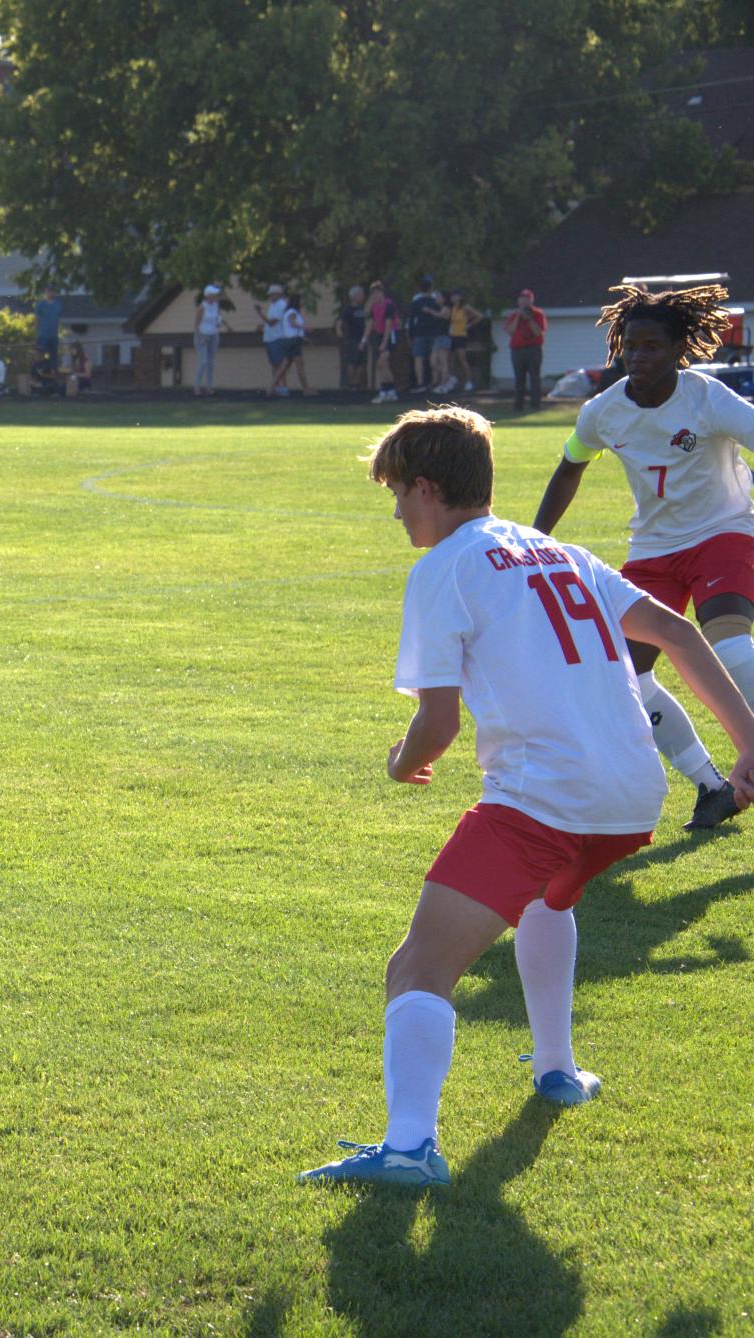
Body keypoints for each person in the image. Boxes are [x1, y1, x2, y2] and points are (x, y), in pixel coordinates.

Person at [300, 406, 754, 1188]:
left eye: (397, 495)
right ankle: (557, 1068)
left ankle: (408, 1148)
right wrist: (748, 745)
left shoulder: (442, 567)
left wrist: (399, 763)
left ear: (426, 486)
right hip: (631, 794)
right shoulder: (559, 550)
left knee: (415, 969)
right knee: (548, 898)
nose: (396, 512)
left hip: (544, 795)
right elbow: (677, 638)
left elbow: (435, 722)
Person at [532, 283, 754, 829]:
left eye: (652, 346)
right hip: (653, 552)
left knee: (730, 647)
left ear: (679, 348)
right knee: (622, 676)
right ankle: (710, 784)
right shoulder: (602, 412)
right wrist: (534, 542)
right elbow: (569, 469)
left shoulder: (708, 399)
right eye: (631, 345)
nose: (638, 356)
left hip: (722, 534)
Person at [502, 288, 547, 411]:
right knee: (519, 378)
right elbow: (510, 331)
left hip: (533, 349)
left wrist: (529, 319)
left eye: (527, 298)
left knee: (534, 377)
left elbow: (538, 332)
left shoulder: (538, 314)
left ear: (531, 300)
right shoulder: (514, 315)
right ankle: (518, 405)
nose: (524, 301)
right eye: (522, 298)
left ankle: (535, 404)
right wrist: (518, 316)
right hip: (517, 350)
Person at [409, 276, 450, 396]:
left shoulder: (417, 302)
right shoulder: (434, 302)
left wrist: (410, 335)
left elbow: (412, 320)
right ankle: (433, 382)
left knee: (421, 358)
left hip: (422, 334)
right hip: (433, 334)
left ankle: (423, 383)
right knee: (433, 360)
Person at [367, 281, 402, 404]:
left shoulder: (389, 305)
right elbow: (371, 323)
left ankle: (383, 392)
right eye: (373, 294)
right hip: (379, 335)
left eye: (377, 293)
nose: (375, 296)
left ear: (382, 293)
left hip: (389, 336)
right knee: (384, 366)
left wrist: (384, 343)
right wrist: (364, 339)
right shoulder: (374, 307)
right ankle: (391, 392)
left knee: (381, 364)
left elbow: (388, 326)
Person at [193, 283, 226, 396]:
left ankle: (209, 387)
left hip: (214, 335)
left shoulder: (216, 305)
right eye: (214, 294)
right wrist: (200, 337)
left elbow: (218, 318)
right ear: (208, 295)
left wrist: (220, 324)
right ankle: (197, 387)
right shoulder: (202, 307)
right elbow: (196, 324)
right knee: (203, 361)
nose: (216, 296)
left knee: (211, 362)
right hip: (202, 335)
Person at [444, 291, 480, 394]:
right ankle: (451, 380)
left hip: (460, 336)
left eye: (455, 296)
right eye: (452, 296)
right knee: (450, 359)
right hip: (452, 336)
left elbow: (479, 316)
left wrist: (468, 325)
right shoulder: (452, 308)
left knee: (462, 359)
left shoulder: (465, 307)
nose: (453, 298)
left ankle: (469, 381)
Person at [338, 285, 368, 392]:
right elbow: (340, 322)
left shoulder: (363, 309)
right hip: (352, 339)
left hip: (363, 339)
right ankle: (351, 384)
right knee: (352, 362)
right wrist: (340, 332)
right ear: (355, 296)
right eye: (361, 294)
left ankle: (357, 382)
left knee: (362, 362)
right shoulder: (348, 310)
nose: (363, 296)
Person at [262, 283, 291, 396]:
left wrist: (259, 313)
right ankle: (277, 387)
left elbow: (272, 322)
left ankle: (283, 387)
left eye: (272, 294)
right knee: (274, 364)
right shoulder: (273, 305)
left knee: (279, 363)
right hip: (270, 338)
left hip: (277, 338)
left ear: (278, 294)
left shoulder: (281, 305)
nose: (270, 297)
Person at [281, 295, 310, 396]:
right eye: (301, 300)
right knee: (299, 365)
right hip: (293, 341)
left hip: (292, 340)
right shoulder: (292, 312)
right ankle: (306, 389)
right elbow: (292, 323)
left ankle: (274, 386)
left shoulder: (291, 312)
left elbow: (293, 329)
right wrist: (305, 327)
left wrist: (303, 337)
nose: (302, 302)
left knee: (285, 365)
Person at [34, 285, 64, 367]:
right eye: (49, 291)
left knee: (54, 356)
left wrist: (60, 332)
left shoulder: (58, 304)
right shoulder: (41, 305)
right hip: (43, 335)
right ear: (45, 292)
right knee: (40, 355)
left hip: (54, 335)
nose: (50, 293)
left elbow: (59, 319)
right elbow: (36, 320)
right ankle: (40, 372)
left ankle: (53, 374)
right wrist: (36, 334)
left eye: (52, 291)